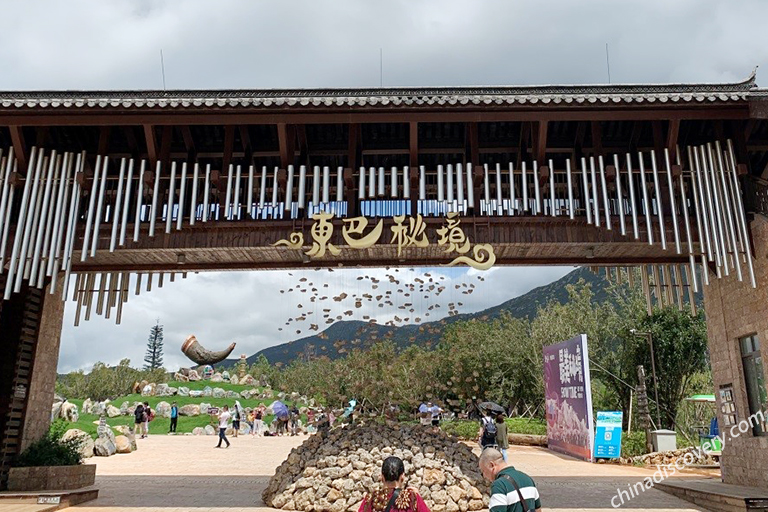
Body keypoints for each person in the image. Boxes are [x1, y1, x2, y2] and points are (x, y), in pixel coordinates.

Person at [358, 456, 431, 512]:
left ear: (382, 477)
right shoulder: (412, 497)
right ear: (402, 477)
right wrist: (419, 497)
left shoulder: (371, 498)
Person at [478, 447, 541, 512]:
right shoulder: (527, 479)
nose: (484, 476)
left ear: (492, 465)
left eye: (483, 471)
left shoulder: (499, 486)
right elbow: (538, 510)